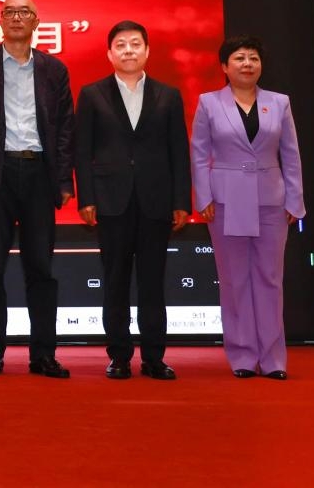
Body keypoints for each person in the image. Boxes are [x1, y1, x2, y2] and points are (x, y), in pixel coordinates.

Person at [0, 0, 75, 378]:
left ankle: (44, 354)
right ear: (0, 20)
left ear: (36, 21)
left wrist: (63, 179)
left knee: (41, 268)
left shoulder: (54, 69)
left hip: (39, 174)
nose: (17, 17)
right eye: (10, 12)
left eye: (25, 12)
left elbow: (65, 129)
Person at [74, 20, 191, 380]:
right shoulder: (92, 94)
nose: (128, 50)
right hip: (112, 200)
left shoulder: (168, 95)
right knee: (116, 280)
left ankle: (154, 357)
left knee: (153, 281)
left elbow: (178, 151)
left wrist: (181, 200)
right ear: (109, 53)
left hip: (156, 200)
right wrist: (86, 197)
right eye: (121, 45)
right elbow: (82, 151)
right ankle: (119, 356)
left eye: (135, 44)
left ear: (147, 50)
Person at [191, 35, 304, 380]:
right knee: (234, 280)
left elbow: (291, 154)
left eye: (253, 58)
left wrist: (295, 199)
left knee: (270, 279)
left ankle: (273, 359)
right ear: (225, 67)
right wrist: (204, 198)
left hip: (272, 201)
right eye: (239, 58)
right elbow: (199, 153)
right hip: (226, 202)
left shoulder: (279, 103)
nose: (247, 64)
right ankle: (242, 355)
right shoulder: (209, 103)